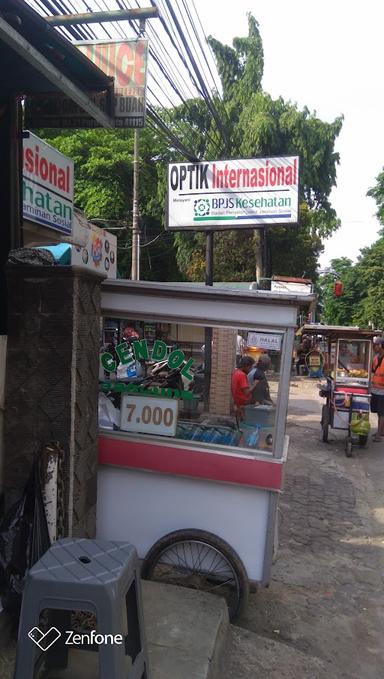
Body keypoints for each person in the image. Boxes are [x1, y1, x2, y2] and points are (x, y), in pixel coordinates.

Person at [231, 356, 262, 421]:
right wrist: (255, 384)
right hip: (243, 402)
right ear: (247, 366)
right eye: (250, 367)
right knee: (259, 403)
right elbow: (246, 392)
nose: (250, 369)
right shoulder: (242, 375)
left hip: (237, 401)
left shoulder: (235, 372)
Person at [370, 337, 384, 442]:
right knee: (377, 412)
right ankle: (380, 431)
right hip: (375, 389)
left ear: (381, 346)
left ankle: (379, 434)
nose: (375, 347)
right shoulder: (375, 358)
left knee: (381, 413)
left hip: (383, 390)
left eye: (376, 345)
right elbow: (372, 371)